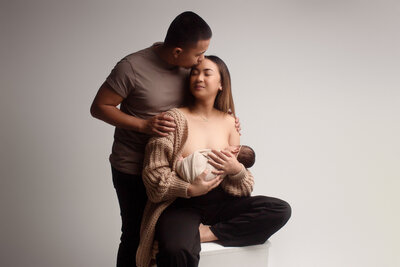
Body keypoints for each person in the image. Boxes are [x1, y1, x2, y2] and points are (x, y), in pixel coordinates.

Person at [90, 11, 236, 267]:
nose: (201, 61)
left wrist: (226, 117)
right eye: (198, 54)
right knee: (135, 235)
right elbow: (100, 107)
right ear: (178, 51)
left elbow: (205, 97)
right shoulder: (131, 68)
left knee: (167, 238)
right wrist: (143, 125)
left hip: (174, 169)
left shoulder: (190, 68)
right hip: (133, 168)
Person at [137, 56, 291, 267]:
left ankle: (206, 234)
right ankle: (193, 234)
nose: (198, 78)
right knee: (176, 250)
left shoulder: (230, 123)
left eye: (206, 73)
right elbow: (153, 178)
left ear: (221, 84)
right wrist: (190, 188)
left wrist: (236, 169)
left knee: (279, 209)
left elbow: (243, 189)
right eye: (194, 72)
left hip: (223, 202)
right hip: (183, 204)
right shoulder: (172, 119)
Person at [176, 145, 255, 182]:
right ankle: (181, 165)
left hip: (187, 170)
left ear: (236, 149)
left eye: (233, 145)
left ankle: (180, 163)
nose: (230, 145)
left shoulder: (221, 153)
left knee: (199, 158)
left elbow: (205, 152)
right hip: (195, 180)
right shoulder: (227, 172)